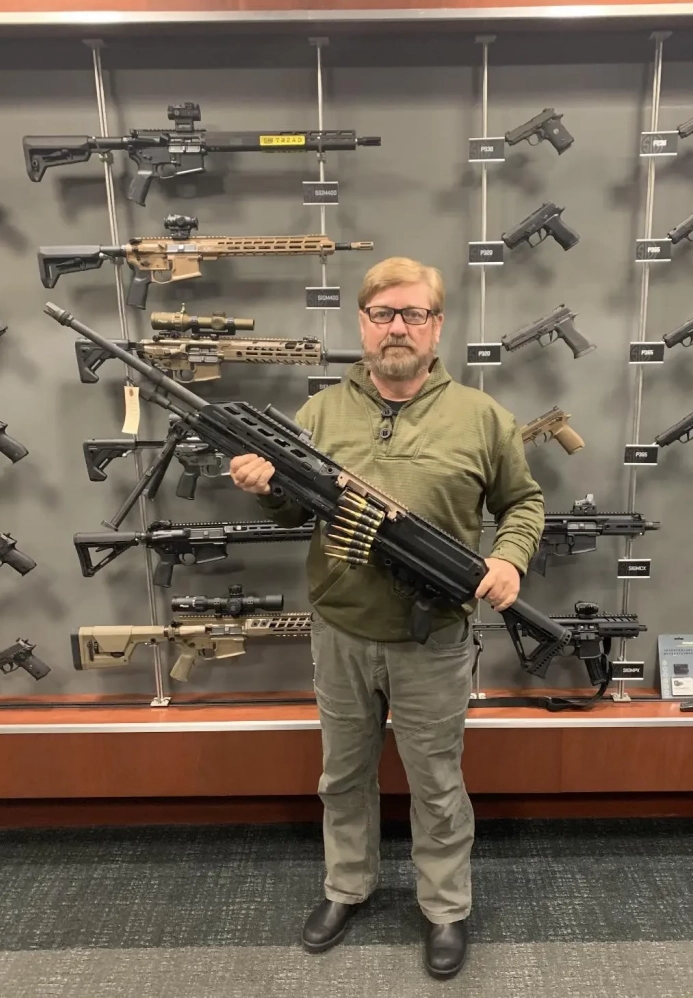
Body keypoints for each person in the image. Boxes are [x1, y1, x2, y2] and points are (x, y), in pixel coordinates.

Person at [229, 257, 544, 980]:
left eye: (412, 314)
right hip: (341, 629)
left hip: (433, 636)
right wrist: (265, 486)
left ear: (437, 326)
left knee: (436, 781)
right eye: (382, 315)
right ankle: (347, 887)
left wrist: (510, 559)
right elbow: (292, 509)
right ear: (363, 324)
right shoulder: (320, 414)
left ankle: (446, 907)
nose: (396, 328)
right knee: (343, 776)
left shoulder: (482, 417)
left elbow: (523, 503)